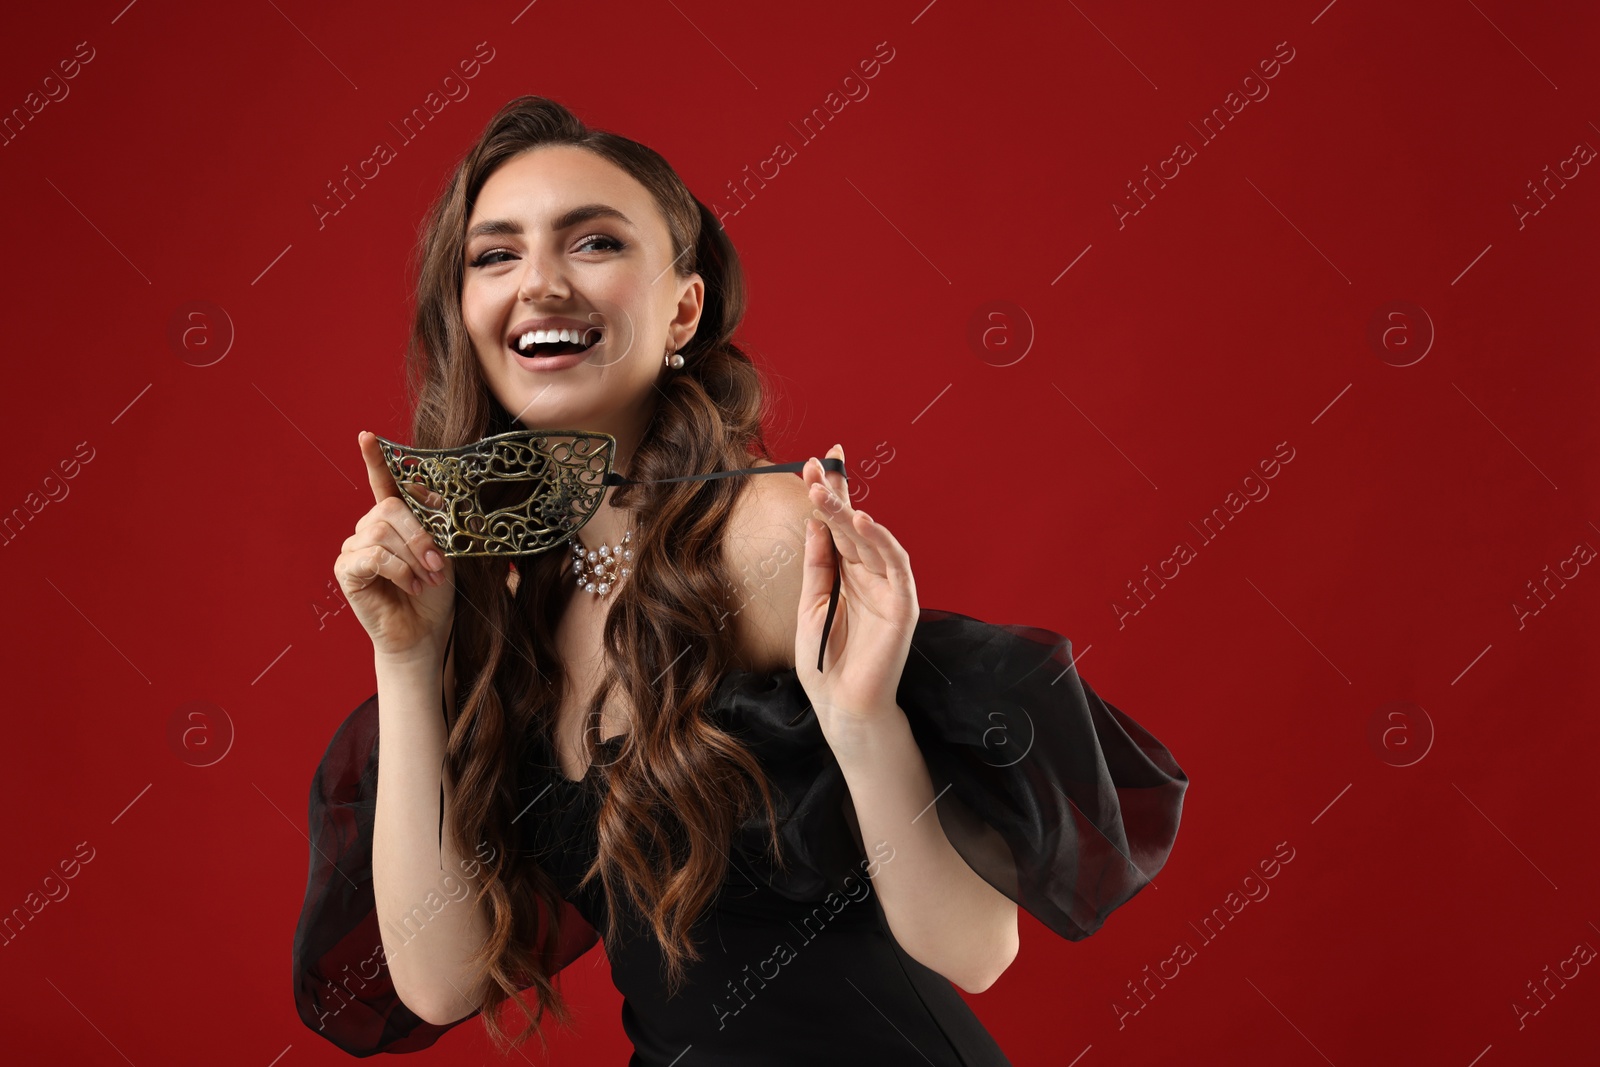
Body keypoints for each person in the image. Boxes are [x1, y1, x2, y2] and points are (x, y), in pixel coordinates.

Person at [291, 95, 1189, 1065]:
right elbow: (440, 977)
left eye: (592, 243)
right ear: (466, 314)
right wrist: (408, 655)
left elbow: (975, 948)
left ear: (682, 307)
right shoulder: (503, 601)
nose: (539, 281)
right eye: (495, 254)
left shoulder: (766, 535)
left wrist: (861, 719)